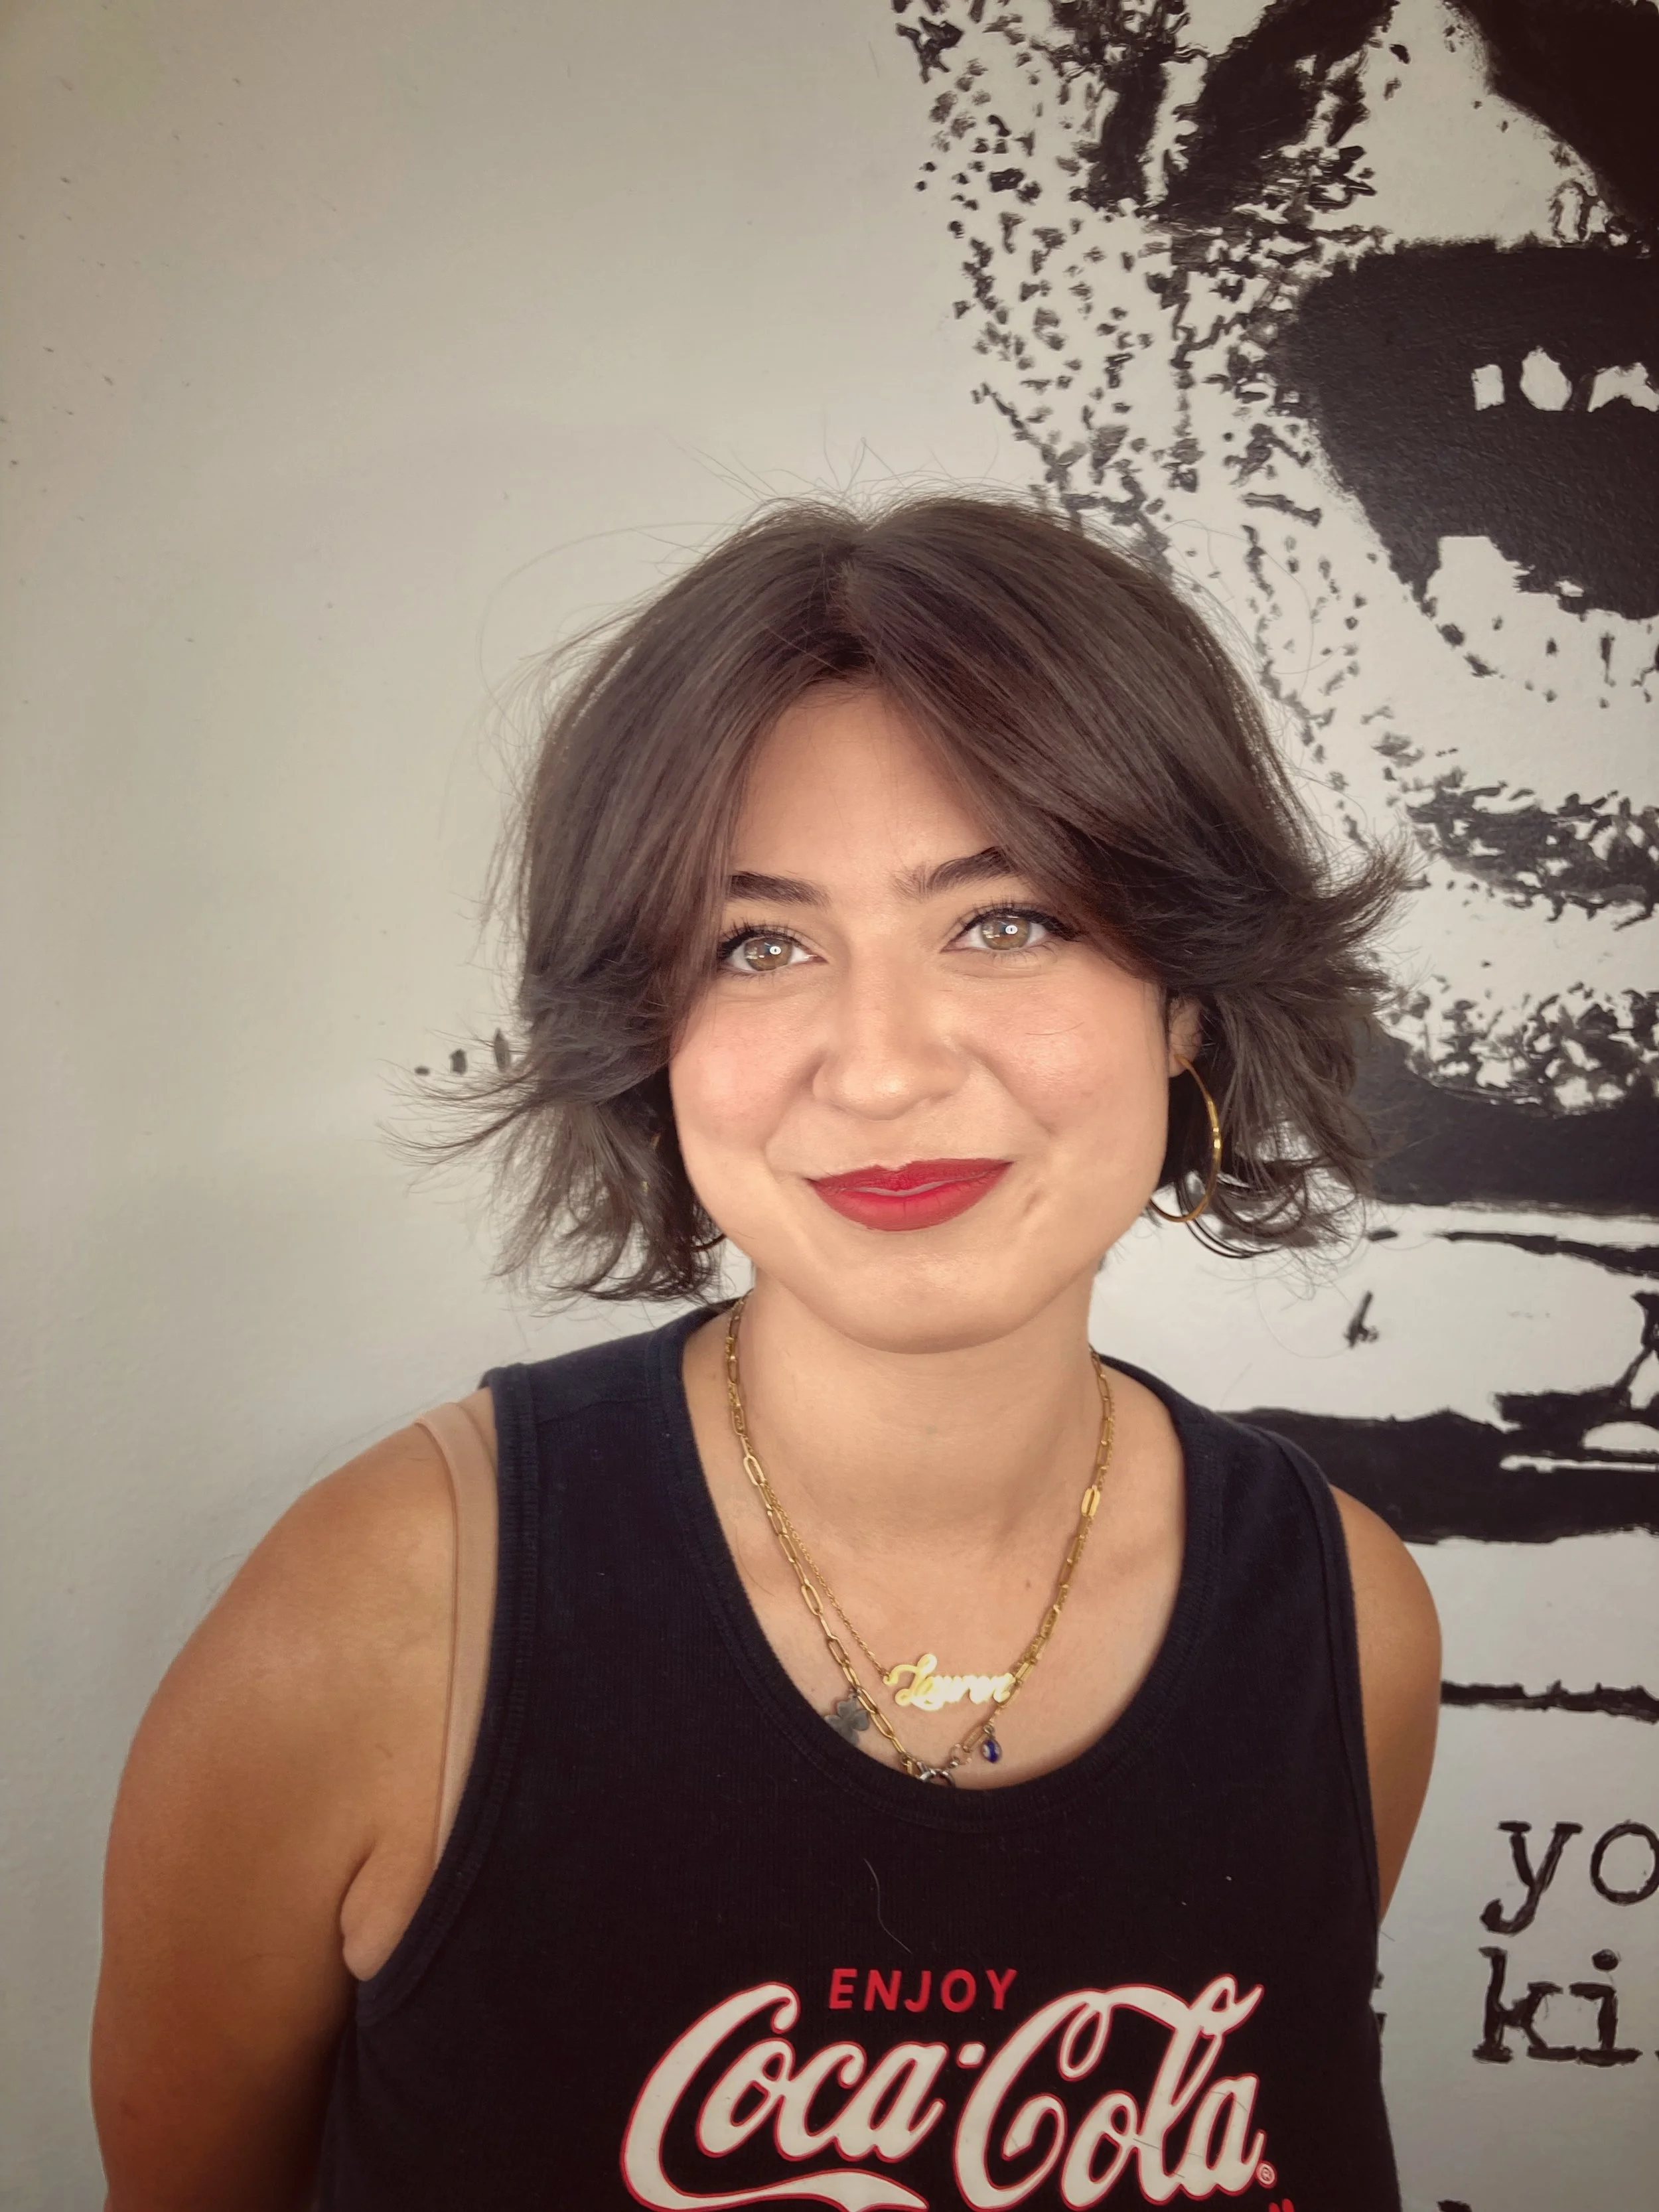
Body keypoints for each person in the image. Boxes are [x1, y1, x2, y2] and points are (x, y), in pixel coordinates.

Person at [92, 492, 1441, 2211]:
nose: (880, 1063)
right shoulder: (380, 1623)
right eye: (760, 943)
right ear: (651, 1033)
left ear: (1183, 998)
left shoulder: (1345, 1621)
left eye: (1006, 917)